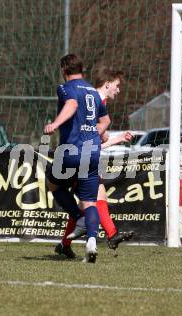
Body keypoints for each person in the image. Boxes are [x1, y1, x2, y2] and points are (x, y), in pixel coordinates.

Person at [55, 66, 134, 259]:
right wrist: (108, 138)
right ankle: (108, 235)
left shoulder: (95, 100)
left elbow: (97, 140)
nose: (118, 89)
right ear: (107, 84)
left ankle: (69, 243)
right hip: (79, 157)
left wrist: (115, 139)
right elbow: (92, 138)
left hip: (84, 156)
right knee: (92, 201)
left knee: (94, 200)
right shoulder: (94, 100)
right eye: (116, 85)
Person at [44, 54, 106, 263]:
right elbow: (105, 120)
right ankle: (91, 242)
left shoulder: (65, 88)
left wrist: (54, 123)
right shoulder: (94, 92)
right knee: (89, 202)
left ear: (64, 69)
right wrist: (98, 132)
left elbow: (71, 105)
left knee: (53, 183)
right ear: (82, 68)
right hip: (93, 152)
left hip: (72, 151)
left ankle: (78, 219)